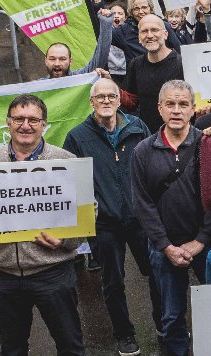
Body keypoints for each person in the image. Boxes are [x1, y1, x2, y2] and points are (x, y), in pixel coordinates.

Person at [0, 95, 86, 356]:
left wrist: (66, 241)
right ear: (8, 123)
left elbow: (88, 211)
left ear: (44, 124)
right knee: (12, 349)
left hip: (53, 272)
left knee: (71, 346)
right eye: (19, 119)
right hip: (2, 276)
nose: (26, 125)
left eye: (33, 119)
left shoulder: (65, 160)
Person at [60, 79, 154, 356]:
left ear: (118, 99)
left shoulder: (138, 127)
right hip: (104, 224)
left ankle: (163, 323)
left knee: (156, 273)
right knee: (113, 282)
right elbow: (70, 182)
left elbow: (151, 167)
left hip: (140, 220)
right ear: (91, 102)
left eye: (111, 95)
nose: (105, 100)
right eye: (99, 97)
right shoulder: (77, 136)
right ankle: (124, 335)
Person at [130, 80, 211, 356]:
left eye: (183, 104)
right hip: (163, 248)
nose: (176, 110)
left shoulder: (209, 144)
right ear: (159, 108)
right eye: (170, 104)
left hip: (206, 245)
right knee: (171, 315)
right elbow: (142, 204)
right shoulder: (142, 151)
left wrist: (201, 240)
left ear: (193, 109)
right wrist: (166, 246)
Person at [125, 15, 184, 132]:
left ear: (166, 34)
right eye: (144, 31)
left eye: (155, 30)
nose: (150, 35)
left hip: (181, 136)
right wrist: (108, 82)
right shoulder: (135, 65)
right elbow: (131, 103)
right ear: (139, 37)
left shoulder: (183, 63)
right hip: (149, 138)